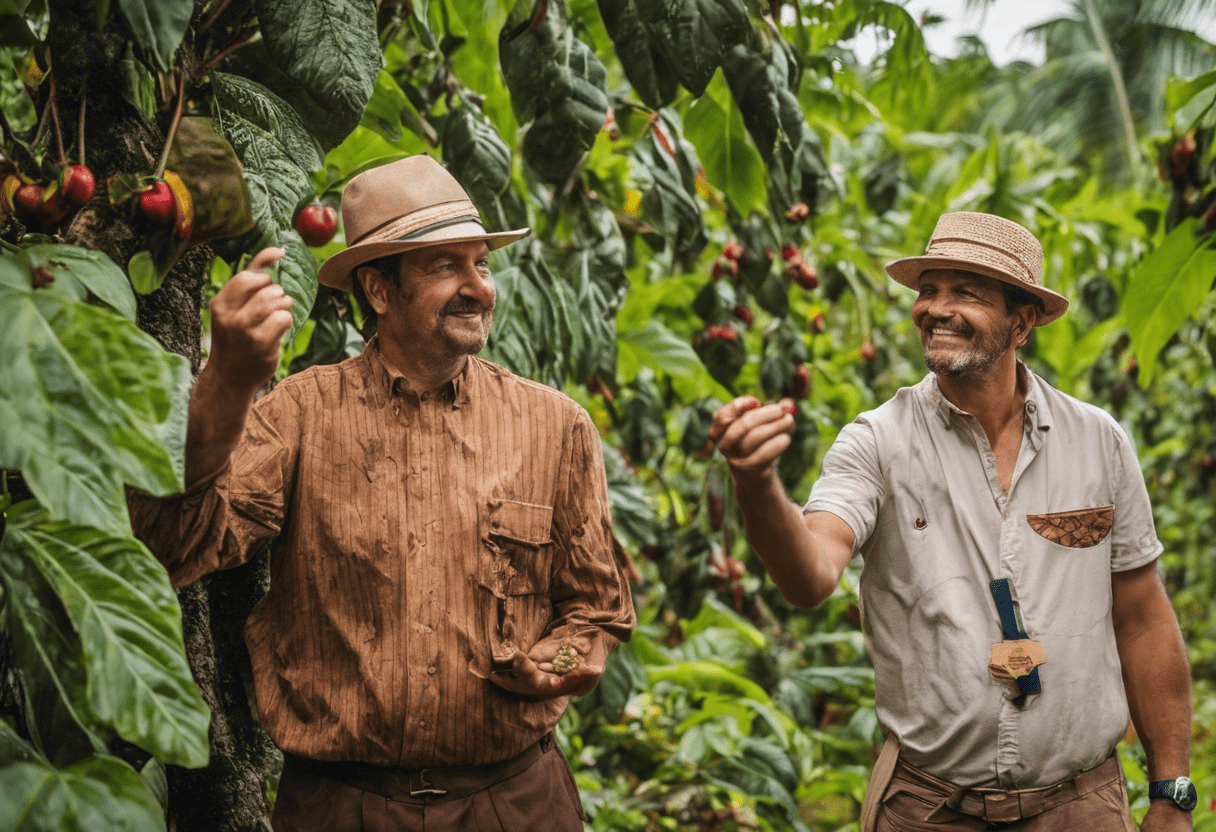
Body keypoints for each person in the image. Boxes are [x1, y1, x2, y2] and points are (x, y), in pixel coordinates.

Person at [131, 154, 636, 831]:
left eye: (480, 263)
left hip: (516, 802)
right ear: (377, 289)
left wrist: (565, 658)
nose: (477, 288)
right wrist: (226, 380)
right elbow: (172, 545)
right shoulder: (299, 415)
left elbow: (596, 609)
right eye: (443, 265)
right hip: (343, 808)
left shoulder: (555, 426)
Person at [709, 212, 1194, 832]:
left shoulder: (1096, 440)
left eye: (965, 292)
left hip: (1080, 806)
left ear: (1022, 324)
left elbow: (1142, 616)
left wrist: (1170, 793)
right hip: (929, 808)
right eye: (928, 290)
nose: (935, 308)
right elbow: (810, 575)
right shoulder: (876, 443)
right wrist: (756, 484)